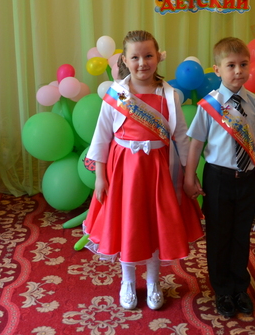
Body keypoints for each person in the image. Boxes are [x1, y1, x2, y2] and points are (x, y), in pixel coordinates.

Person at [83, 30, 203, 311]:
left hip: (159, 171)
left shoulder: (169, 94)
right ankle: (127, 280)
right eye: (135, 57)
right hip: (124, 172)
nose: (142, 63)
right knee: (128, 223)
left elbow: (181, 137)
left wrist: (189, 174)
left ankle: (153, 280)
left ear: (158, 57)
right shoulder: (117, 95)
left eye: (148, 56)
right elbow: (101, 138)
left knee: (155, 224)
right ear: (125, 60)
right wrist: (100, 177)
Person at [184, 37, 255, 319]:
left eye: (243, 64)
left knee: (241, 235)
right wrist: (189, 178)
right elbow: (195, 144)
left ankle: (240, 287)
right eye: (231, 65)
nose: (238, 71)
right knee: (219, 236)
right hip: (218, 178)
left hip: (247, 178)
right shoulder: (208, 105)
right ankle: (223, 290)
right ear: (217, 70)